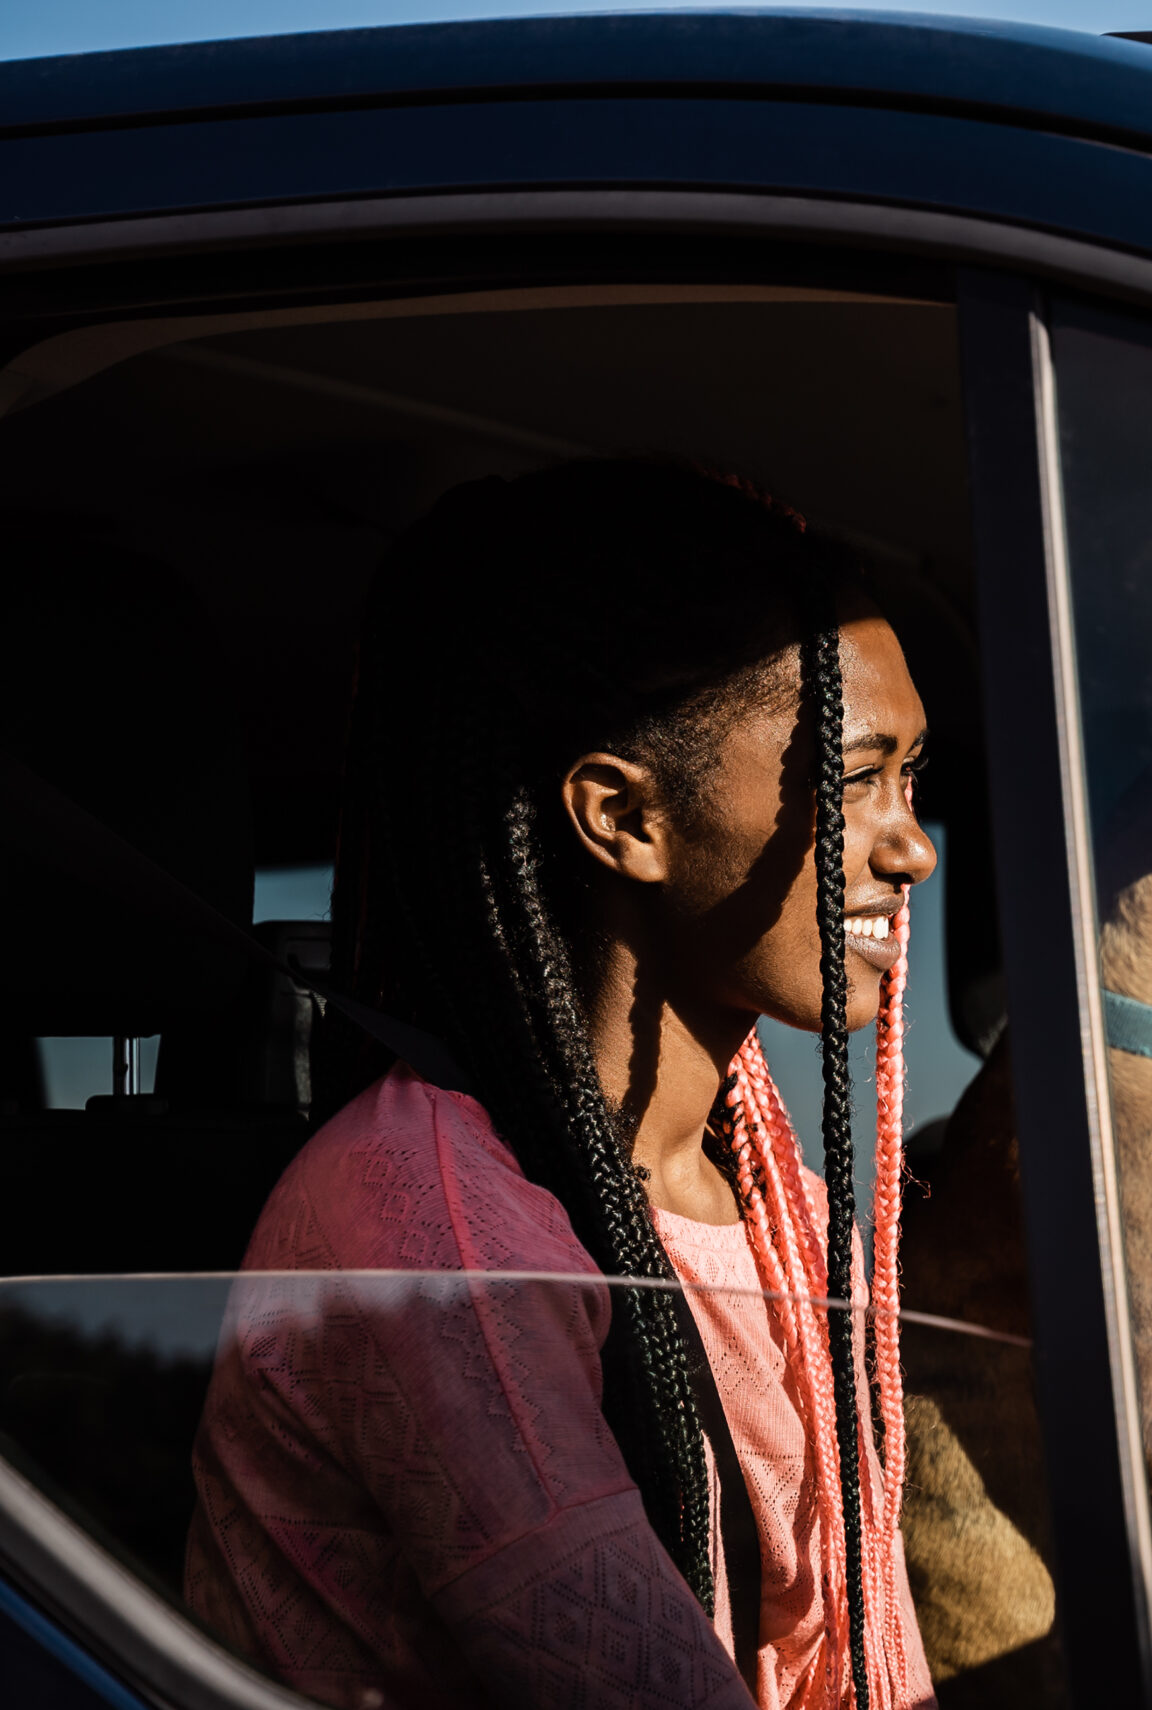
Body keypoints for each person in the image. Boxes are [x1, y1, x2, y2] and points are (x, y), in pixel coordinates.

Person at [184, 462, 937, 1710]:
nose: (911, 845)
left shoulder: (784, 1207)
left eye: (915, 781)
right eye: (854, 782)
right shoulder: (428, 1231)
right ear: (621, 819)